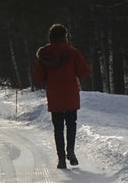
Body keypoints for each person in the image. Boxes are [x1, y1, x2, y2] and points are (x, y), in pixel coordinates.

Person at [31, 23, 91, 168]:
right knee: (71, 124)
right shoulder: (72, 52)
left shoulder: (44, 54)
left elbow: (38, 77)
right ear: (64, 36)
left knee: (58, 128)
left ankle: (61, 159)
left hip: (54, 94)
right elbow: (84, 71)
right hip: (70, 93)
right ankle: (70, 151)